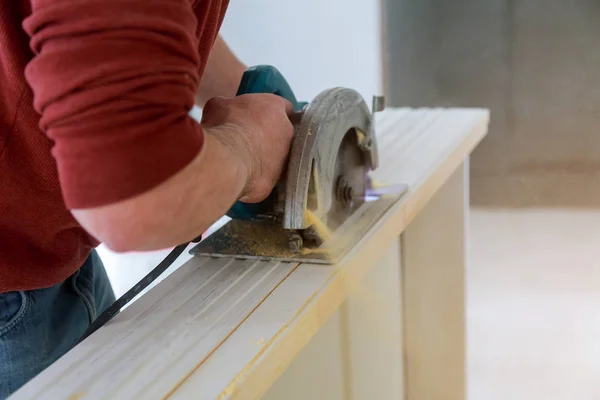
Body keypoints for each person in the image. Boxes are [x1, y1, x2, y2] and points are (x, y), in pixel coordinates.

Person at [0, 1, 294, 397]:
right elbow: (135, 196)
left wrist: (258, 103)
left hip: (47, 260)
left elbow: (128, 28)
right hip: (15, 301)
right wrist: (249, 149)